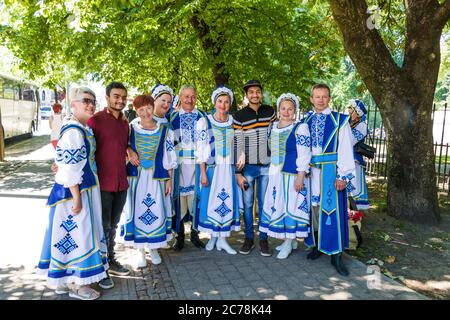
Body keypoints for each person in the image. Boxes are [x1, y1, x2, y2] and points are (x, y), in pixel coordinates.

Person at [37, 87, 107, 300]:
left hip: (78, 188)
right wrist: (77, 197)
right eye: (85, 100)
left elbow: (66, 161)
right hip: (74, 192)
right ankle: (77, 286)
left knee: (69, 236)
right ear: (74, 104)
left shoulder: (81, 129)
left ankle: (64, 282)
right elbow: (70, 168)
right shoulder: (75, 130)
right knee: (79, 234)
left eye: (93, 101)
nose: (90, 104)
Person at [302, 84, 355, 276]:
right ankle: (318, 245)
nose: (320, 100)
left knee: (334, 212)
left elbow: (346, 149)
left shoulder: (339, 120)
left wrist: (343, 175)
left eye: (324, 96)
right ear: (311, 98)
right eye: (317, 96)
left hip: (331, 172)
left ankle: (336, 254)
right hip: (311, 172)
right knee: (313, 210)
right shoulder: (305, 120)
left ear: (329, 98)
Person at [121, 94, 177, 268]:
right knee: (137, 211)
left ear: (153, 107)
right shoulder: (131, 128)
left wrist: (169, 181)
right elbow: (122, 145)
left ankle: (153, 248)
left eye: (148, 108)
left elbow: (169, 157)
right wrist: (130, 150)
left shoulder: (164, 129)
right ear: (136, 111)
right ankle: (139, 250)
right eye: (141, 110)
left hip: (157, 178)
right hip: (135, 179)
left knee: (156, 210)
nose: (145, 113)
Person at [87, 82, 132, 289]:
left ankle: (111, 259)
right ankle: (101, 268)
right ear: (107, 97)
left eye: (123, 97)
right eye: (116, 96)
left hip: (121, 183)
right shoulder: (94, 121)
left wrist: (131, 149)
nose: (120, 100)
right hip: (102, 184)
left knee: (113, 226)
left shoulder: (125, 123)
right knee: (102, 227)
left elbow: (125, 145)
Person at [260, 93, 311, 259]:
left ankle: (289, 242)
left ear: (295, 110)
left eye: (290, 109)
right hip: (275, 174)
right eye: (283, 108)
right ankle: (290, 240)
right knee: (279, 206)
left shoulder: (300, 128)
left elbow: (304, 154)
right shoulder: (272, 127)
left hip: (291, 174)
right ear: (278, 109)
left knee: (291, 207)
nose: (286, 112)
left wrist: (300, 176)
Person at [196, 86, 242, 255]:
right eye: (220, 101)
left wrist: (241, 156)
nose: (223, 105)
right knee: (212, 202)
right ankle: (214, 237)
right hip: (213, 169)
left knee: (227, 201)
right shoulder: (204, 121)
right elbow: (200, 149)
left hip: (228, 169)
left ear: (230, 104)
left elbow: (239, 144)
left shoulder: (234, 122)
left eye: (226, 102)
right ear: (214, 103)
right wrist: (202, 172)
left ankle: (222, 239)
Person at [234, 80, 276, 257]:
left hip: (267, 165)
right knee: (248, 203)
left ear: (261, 93)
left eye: (257, 91)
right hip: (248, 167)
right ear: (247, 94)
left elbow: (276, 135)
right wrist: (237, 172)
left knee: (264, 203)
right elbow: (237, 142)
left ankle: (264, 239)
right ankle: (249, 238)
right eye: (251, 92)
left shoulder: (270, 111)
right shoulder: (239, 115)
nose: (255, 94)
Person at [170, 85, 207, 250]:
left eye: (192, 96)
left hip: (197, 165)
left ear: (196, 97)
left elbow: (206, 144)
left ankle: (195, 234)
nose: (189, 100)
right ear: (180, 97)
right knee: (178, 199)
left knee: (196, 199)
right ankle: (179, 236)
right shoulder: (172, 117)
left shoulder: (202, 117)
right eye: (185, 96)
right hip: (179, 166)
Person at [346, 99, 370, 210]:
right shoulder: (349, 124)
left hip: (354, 160)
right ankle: (346, 211)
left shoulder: (362, 126)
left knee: (354, 186)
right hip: (345, 159)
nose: (349, 111)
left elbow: (350, 141)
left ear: (357, 112)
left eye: (351, 110)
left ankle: (355, 214)